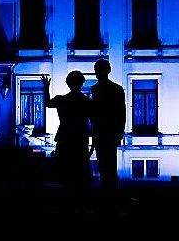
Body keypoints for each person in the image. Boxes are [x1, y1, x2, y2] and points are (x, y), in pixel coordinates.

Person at [43, 71, 92, 189]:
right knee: (80, 175)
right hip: (80, 139)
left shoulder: (62, 100)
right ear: (82, 83)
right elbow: (94, 122)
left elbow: (48, 103)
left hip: (65, 137)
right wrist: (93, 146)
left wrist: (46, 88)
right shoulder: (87, 102)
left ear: (68, 83)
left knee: (64, 174)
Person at [90, 58, 125, 190]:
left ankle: (110, 193)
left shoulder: (114, 89)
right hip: (103, 132)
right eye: (96, 70)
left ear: (107, 71)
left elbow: (121, 112)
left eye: (99, 70)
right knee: (105, 166)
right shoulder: (113, 89)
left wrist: (119, 133)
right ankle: (109, 193)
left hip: (108, 132)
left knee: (108, 166)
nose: (97, 73)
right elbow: (121, 112)